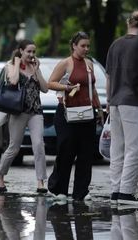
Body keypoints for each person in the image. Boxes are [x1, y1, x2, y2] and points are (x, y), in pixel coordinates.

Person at [47, 32, 104, 201]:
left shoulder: (89, 64)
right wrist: (67, 87)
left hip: (87, 113)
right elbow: (51, 83)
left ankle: (81, 191)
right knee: (66, 151)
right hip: (67, 114)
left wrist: (99, 108)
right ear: (74, 46)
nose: (86, 49)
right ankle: (59, 189)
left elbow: (92, 88)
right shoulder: (65, 63)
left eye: (88, 46)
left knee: (86, 153)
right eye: (83, 46)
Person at [106, 11, 138, 205]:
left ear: (128, 23)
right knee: (136, 149)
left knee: (118, 149)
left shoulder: (115, 45)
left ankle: (116, 191)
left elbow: (108, 77)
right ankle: (126, 193)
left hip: (115, 101)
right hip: (135, 101)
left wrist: (109, 102)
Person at [0, 40, 49, 194]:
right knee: (14, 148)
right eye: (29, 52)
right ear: (21, 51)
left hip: (35, 111)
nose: (32, 55)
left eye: (34, 52)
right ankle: (0, 175)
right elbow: (13, 81)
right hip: (18, 112)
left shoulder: (35, 67)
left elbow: (45, 89)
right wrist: (18, 64)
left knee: (39, 145)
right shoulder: (10, 65)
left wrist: (37, 70)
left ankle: (40, 181)